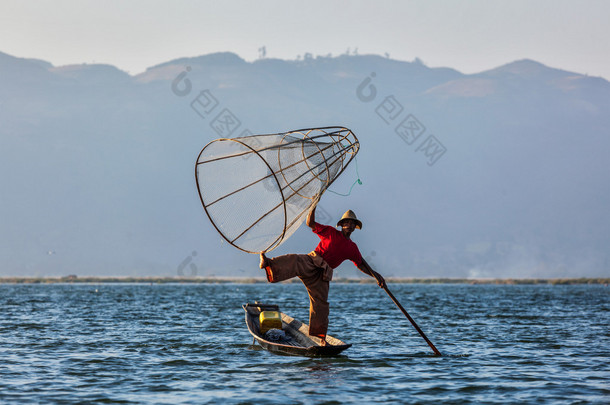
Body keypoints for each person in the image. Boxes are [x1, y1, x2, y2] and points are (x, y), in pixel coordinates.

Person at [259, 202, 386, 346]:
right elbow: (310, 223)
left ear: (354, 227)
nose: (349, 225)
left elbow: (361, 264)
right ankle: (268, 263)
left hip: (323, 274)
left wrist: (376, 276)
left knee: (321, 305)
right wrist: (313, 205)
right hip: (312, 261)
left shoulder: (352, 247)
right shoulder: (331, 232)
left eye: (352, 223)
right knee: (294, 259)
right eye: (347, 223)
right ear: (342, 225)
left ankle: (321, 338)